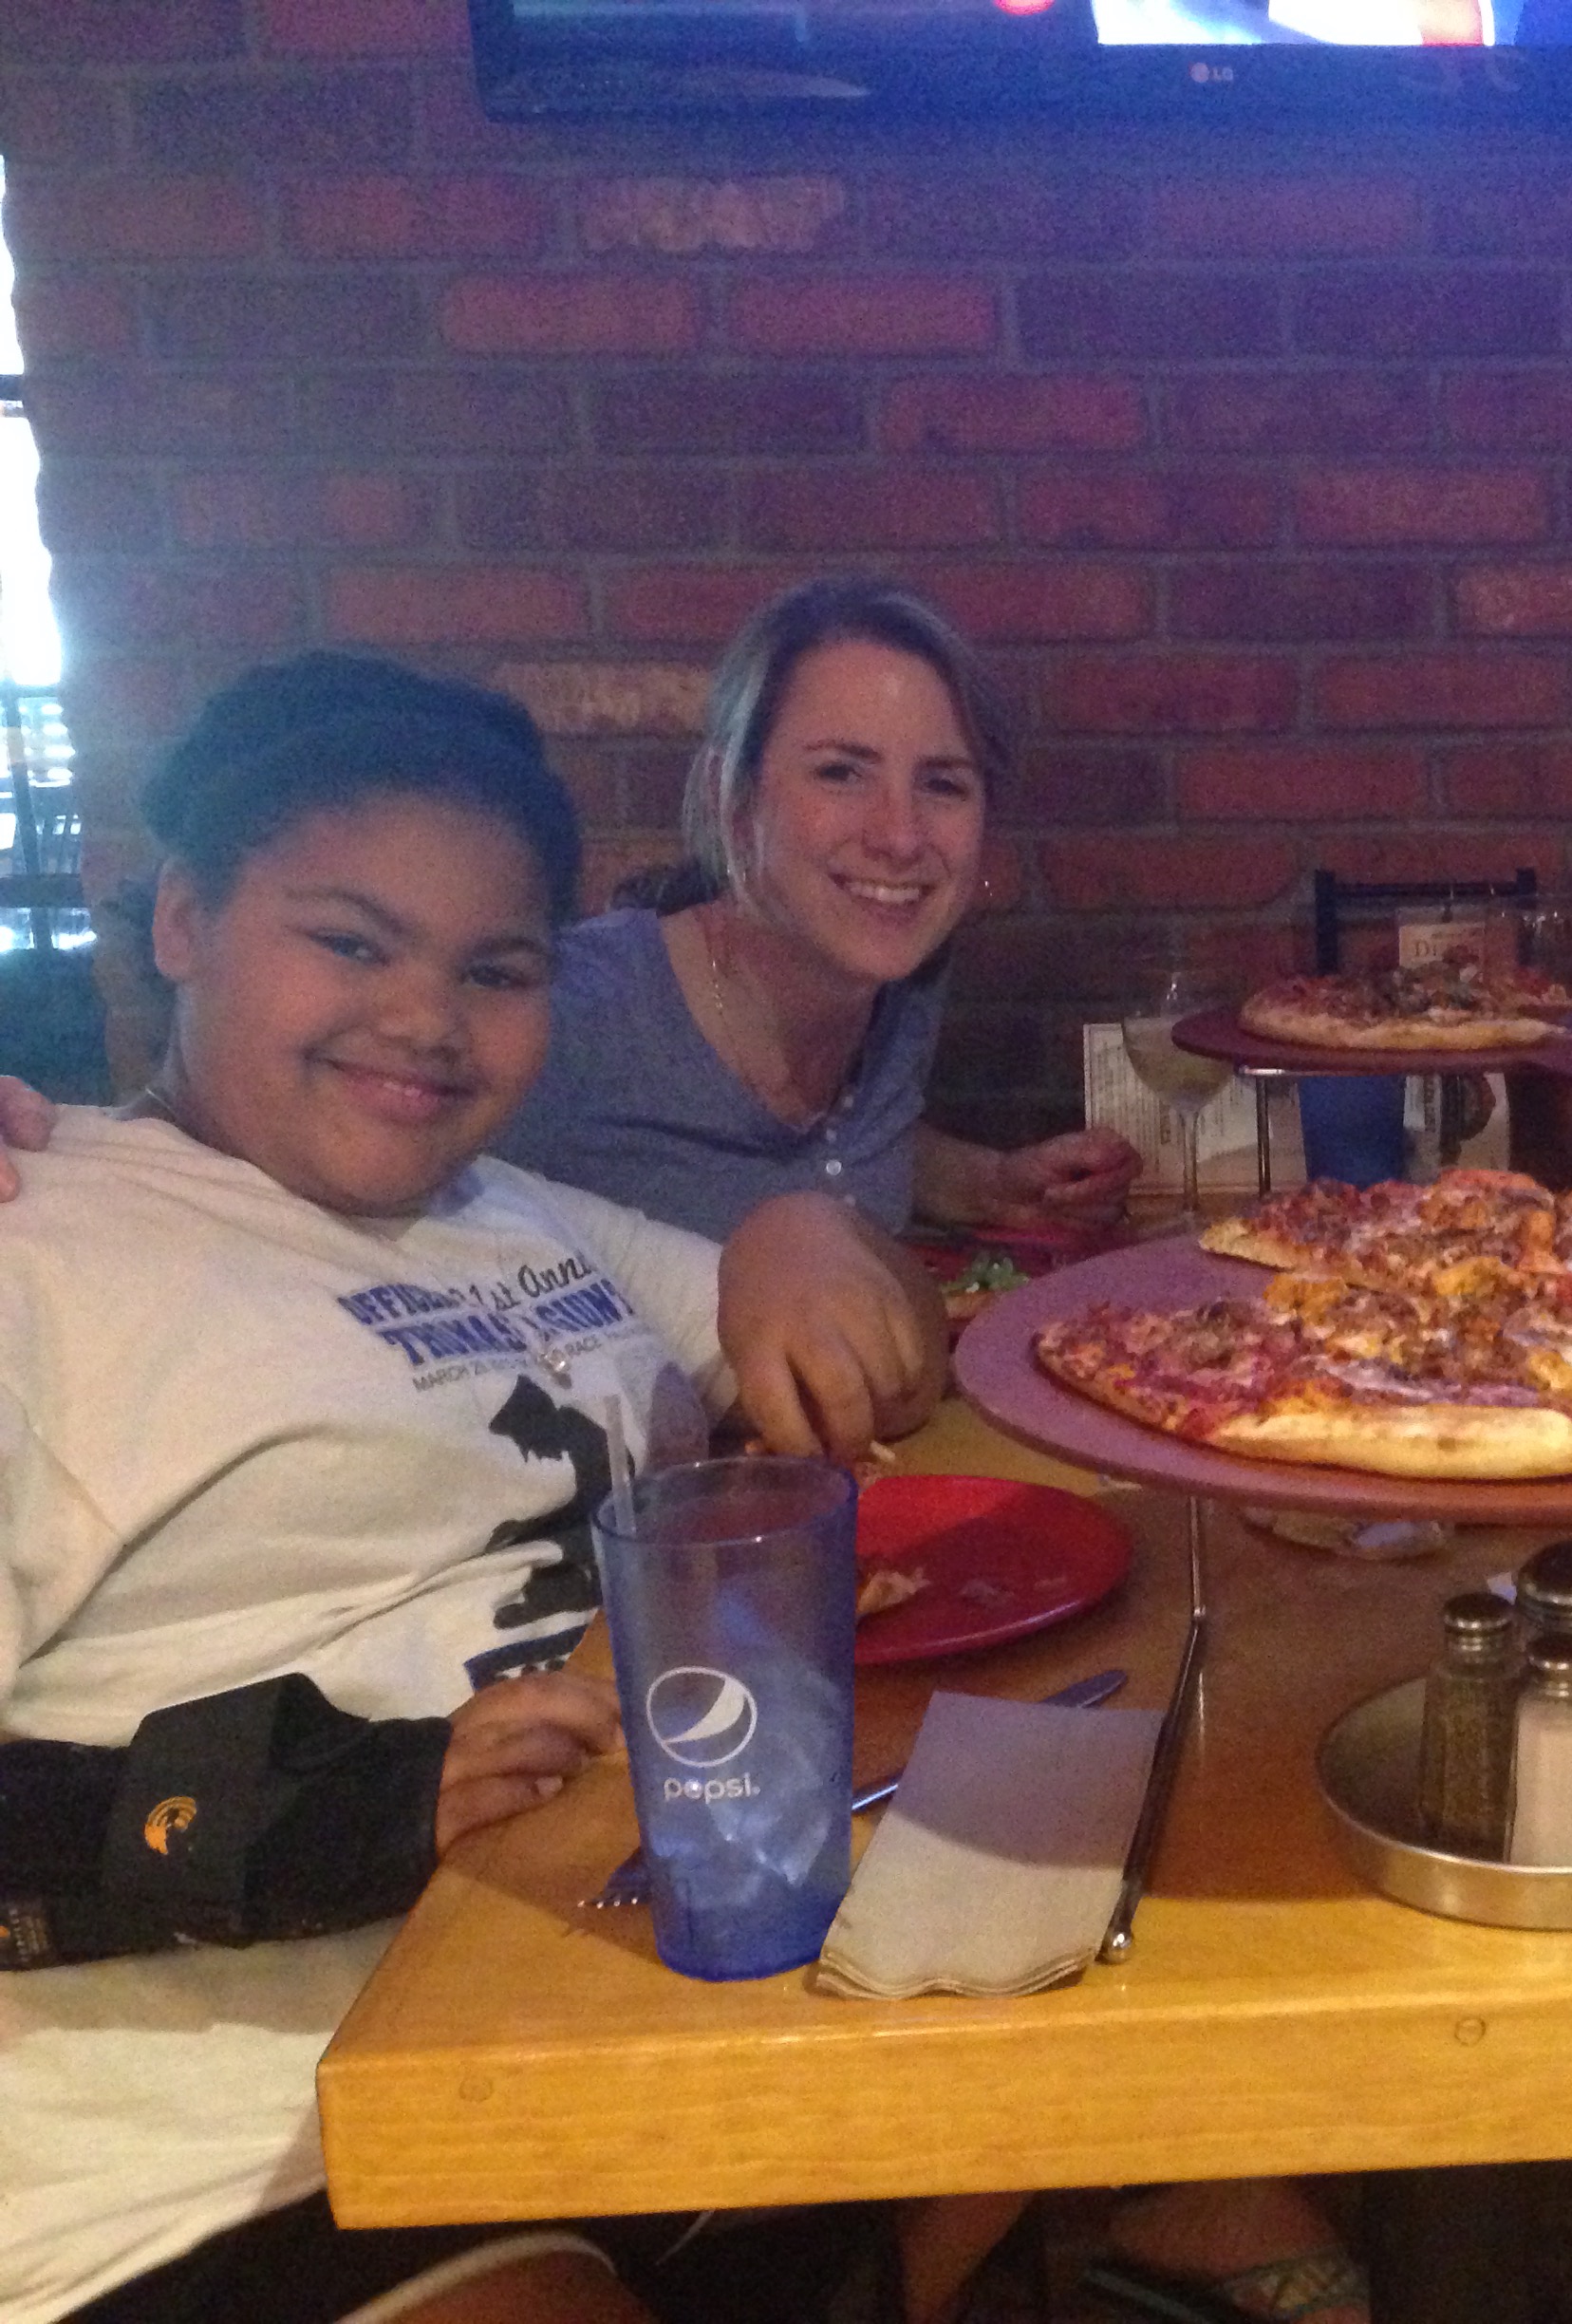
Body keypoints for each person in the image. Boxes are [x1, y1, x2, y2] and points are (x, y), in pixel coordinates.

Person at [0, 653, 946, 2322]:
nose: (427, 1020)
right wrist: (342, 1812)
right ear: (184, 921)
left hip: (637, 2008)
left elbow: (857, 1353)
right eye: (351, 943)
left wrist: (804, 1227)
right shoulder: (44, 1251)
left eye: (495, 970)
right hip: (238, 2170)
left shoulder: (511, 1208)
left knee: (1151, 2040)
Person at [490, 573, 1137, 1243]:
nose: (901, 838)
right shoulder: (568, 1016)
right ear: (729, 798)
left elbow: (828, 1151)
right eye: (840, 772)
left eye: (942, 784)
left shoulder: (899, 981)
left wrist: (984, 1184)